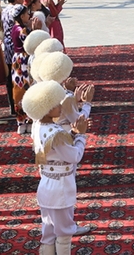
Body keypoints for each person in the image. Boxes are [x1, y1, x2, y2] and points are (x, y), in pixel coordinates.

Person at [22, 80, 91, 255]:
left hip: (46, 184)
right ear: (46, 108)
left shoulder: (38, 125)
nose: (60, 106)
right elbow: (74, 156)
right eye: (55, 104)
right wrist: (81, 135)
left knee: (48, 231)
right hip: (60, 187)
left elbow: (53, 146)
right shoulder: (57, 133)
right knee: (64, 233)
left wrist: (74, 133)